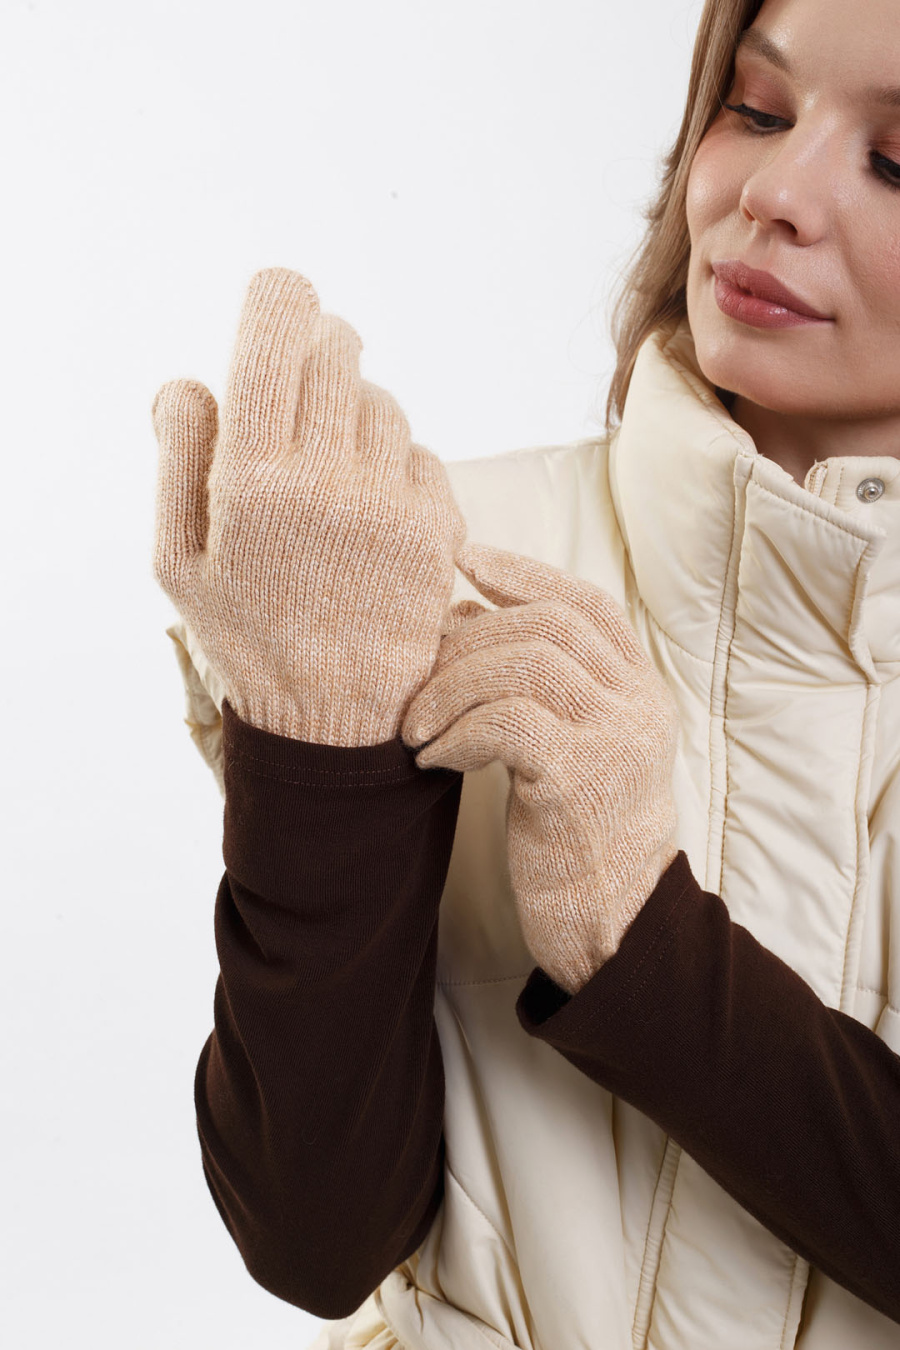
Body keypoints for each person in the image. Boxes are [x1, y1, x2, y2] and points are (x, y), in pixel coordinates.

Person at [151, 0, 900, 1344]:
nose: (774, 194)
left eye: (897, 163)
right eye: (756, 109)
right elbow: (315, 1238)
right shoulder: (434, 563)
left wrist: (640, 942)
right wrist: (311, 760)